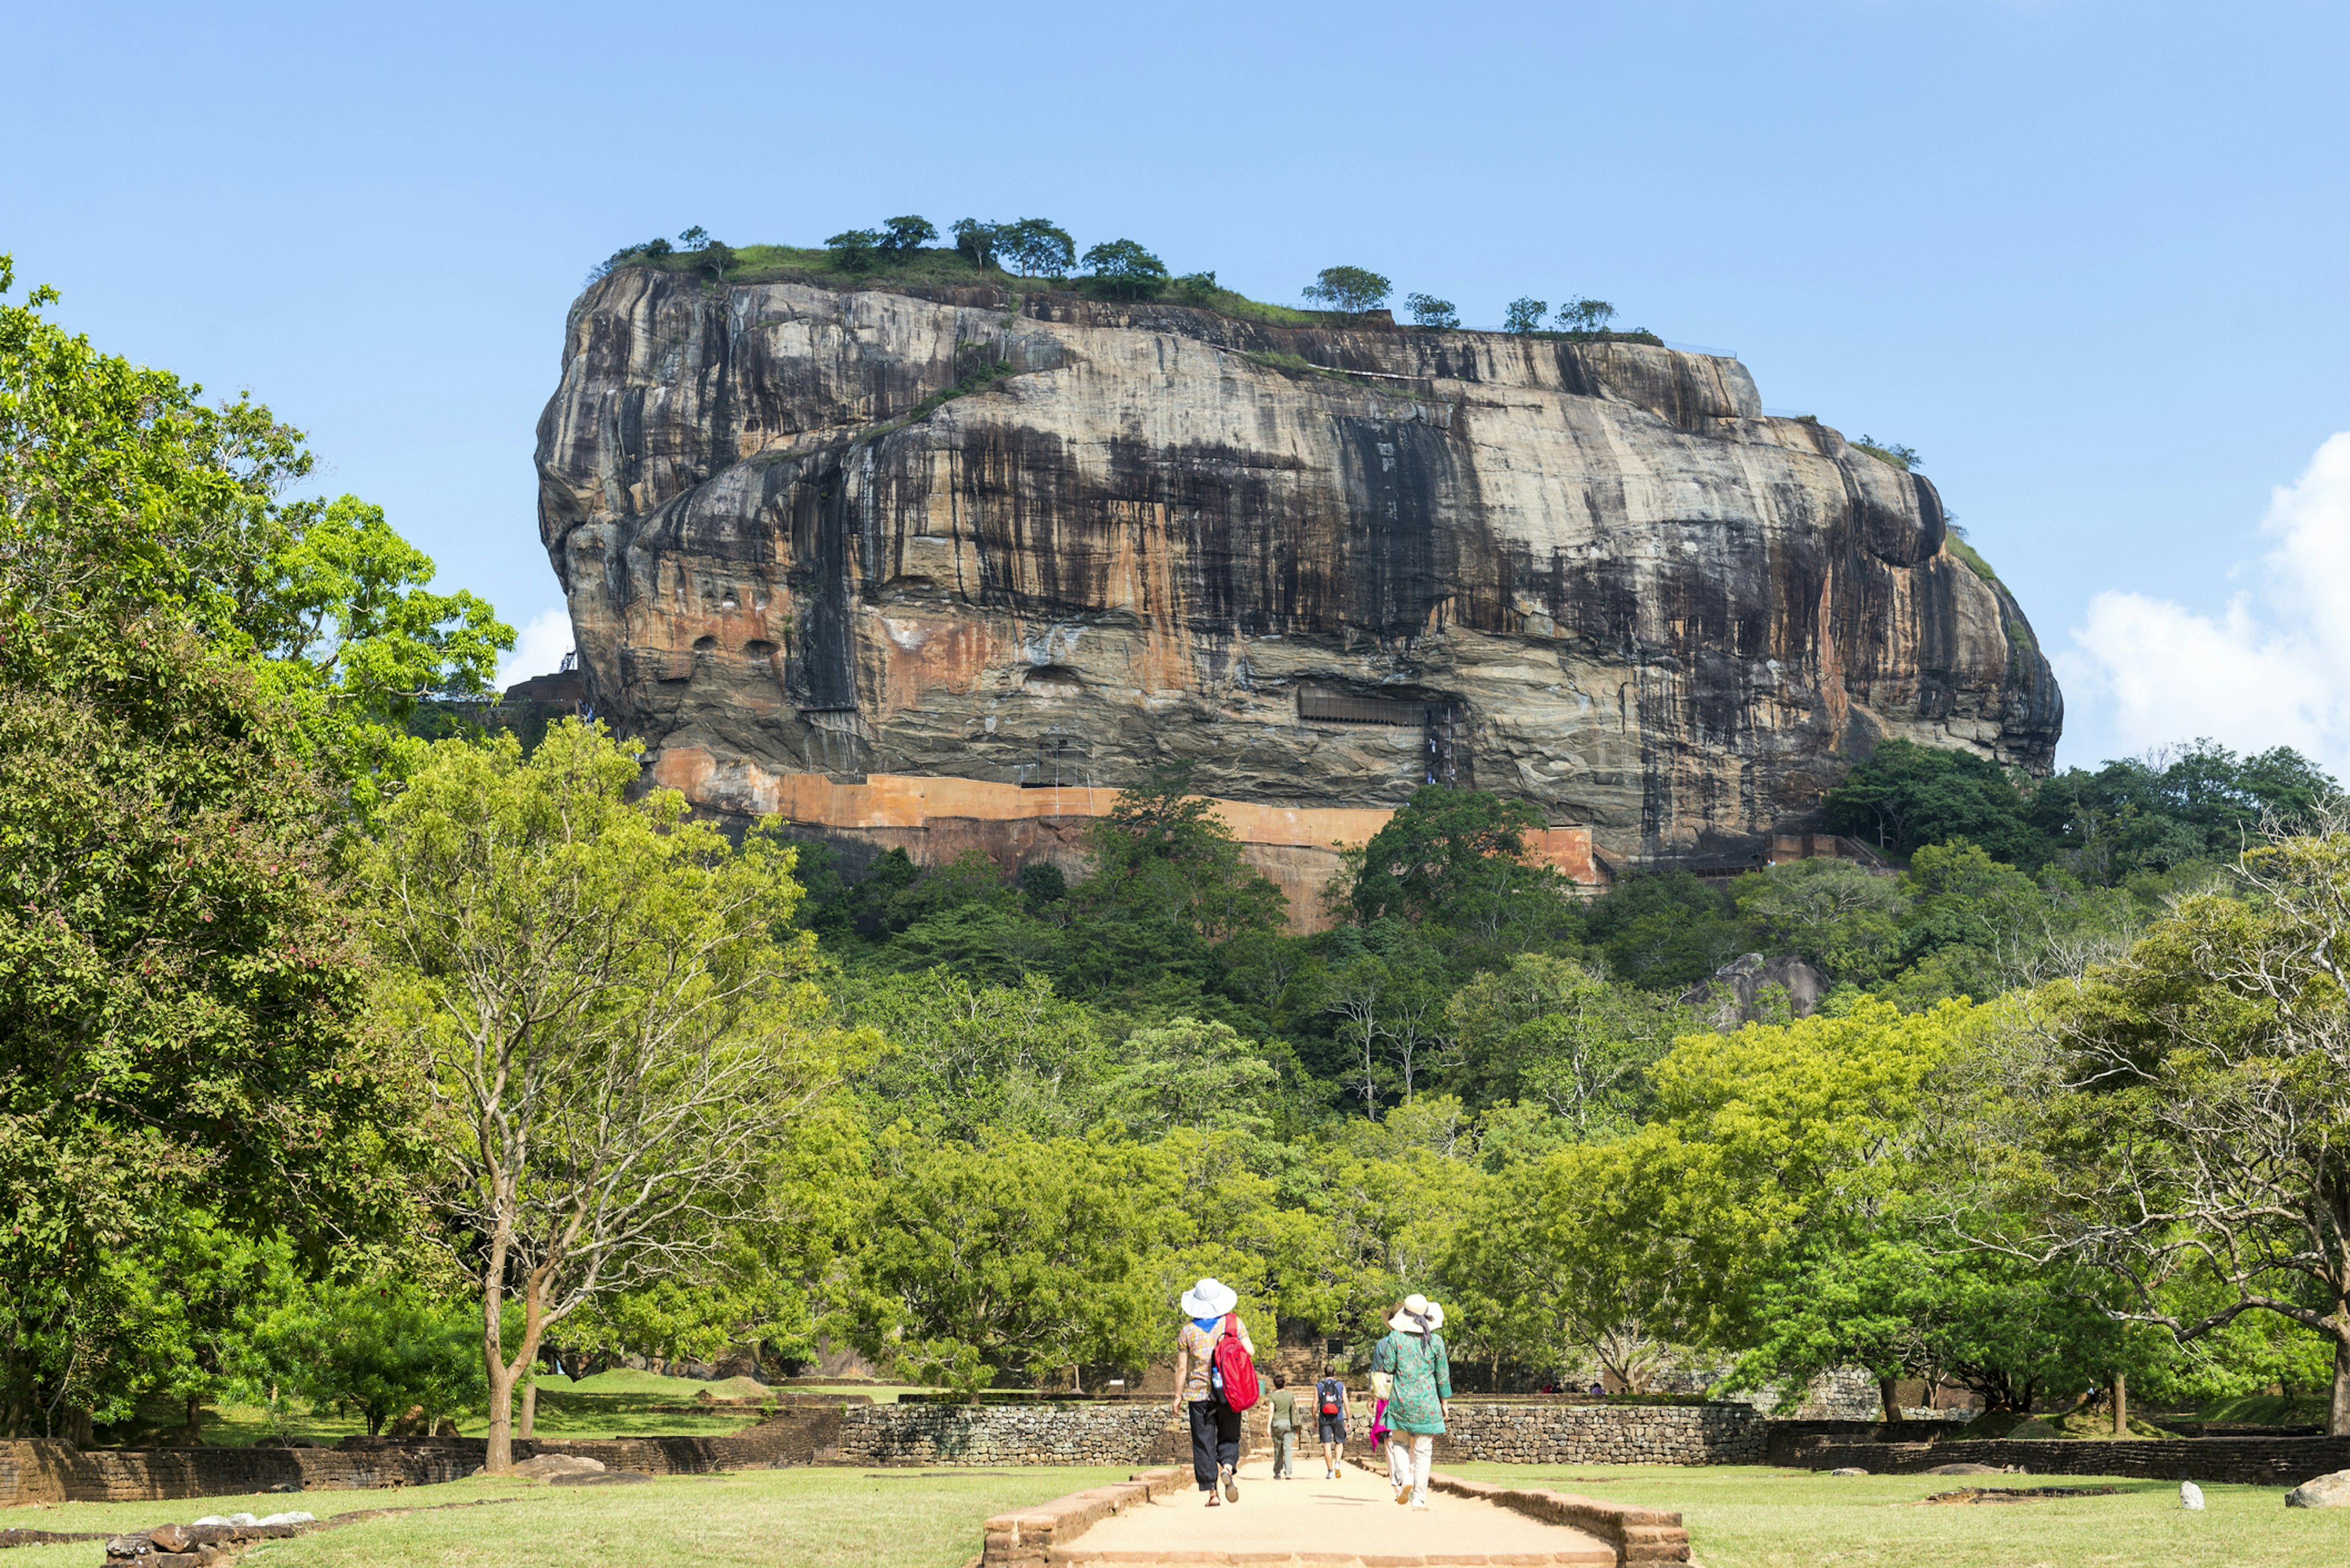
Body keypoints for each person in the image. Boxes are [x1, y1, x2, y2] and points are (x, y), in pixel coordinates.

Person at [1171, 1276, 1254, 1507]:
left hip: (1199, 1395)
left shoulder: (1187, 1331)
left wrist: (1178, 1397)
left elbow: (1181, 1369)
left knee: (1203, 1443)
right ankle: (1227, 1467)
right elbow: (1250, 1351)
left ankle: (1212, 1493)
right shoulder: (1233, 1325)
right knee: (1229, 1436)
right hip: (1228, 1392)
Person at [1370, 1292, 1452, 1510]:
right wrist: (1444, 1402)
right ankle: (1419, 1498)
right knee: (1424, 1452)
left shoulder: (1396, 1338)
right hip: (1427, 1403)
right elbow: (1442, 1376)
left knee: (1399, 1444)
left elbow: (1388, 1369)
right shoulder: (1436, 1342)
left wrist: (1376, 1395)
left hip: (1401, 1401)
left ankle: (1404, 1479)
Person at [1314, 1364, 1350, 1478]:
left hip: (1324, 1418)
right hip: (1338, 1417)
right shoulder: (1340, 1385)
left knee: (1327, 1444)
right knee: (1339, 1442)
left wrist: (1314, 1417)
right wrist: (1348, 1419)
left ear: (1324, 1373)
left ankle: (1330, 1471)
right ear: (1335, 1373)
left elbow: (1315, 1404)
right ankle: (1338, 1463)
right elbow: (1346, 1403)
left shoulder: (1319, 1385)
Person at [1266, 1373, 1297, 1478]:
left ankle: (1277, 1471)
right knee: (1288, 1449)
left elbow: (1271, 1412)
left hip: (1277, 1424)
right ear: (1284, 1383)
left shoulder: (1273, 1396)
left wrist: (1268, 1427)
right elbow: (1294, 1409)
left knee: (1278, 1449)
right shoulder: (1290, 1394)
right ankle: (1288, 1473)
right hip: (1289, 1423)